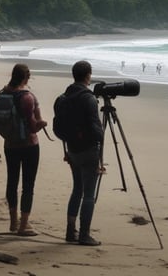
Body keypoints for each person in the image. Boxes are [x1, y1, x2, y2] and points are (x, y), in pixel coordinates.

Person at [0, 64, 47, 236]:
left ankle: (13, 221)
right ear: (26, 78)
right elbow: (33, 127)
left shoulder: (1, 95)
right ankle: (24, 224)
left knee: (12, 181)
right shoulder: (28, 97)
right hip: (29, 145)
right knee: (28, 185)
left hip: (9, 145)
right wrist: (43, 124)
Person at [62, 60, 104, 246]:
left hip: (72, 149)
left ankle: (71, 231)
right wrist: (101, 137)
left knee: (77, 189)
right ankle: (85, 234)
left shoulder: (64, 96)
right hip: (88, 150)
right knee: (88, 193)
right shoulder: (88, 98)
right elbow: (97, 130)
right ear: (88, 75)